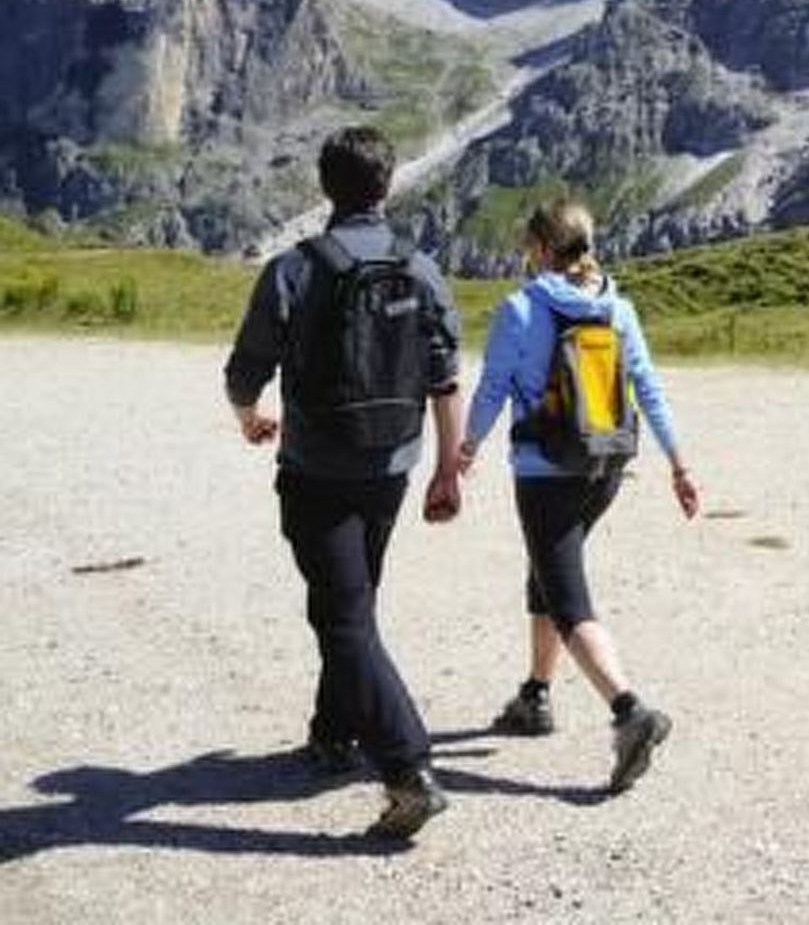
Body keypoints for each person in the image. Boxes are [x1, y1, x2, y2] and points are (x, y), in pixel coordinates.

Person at [225, 126, 464, 840]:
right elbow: (445, 378)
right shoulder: (421, 269)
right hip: (393, 464)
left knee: (343, 615)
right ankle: (333, 735)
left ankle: (408, 768)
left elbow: (246, 369)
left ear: (325, 188)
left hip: (317, 468)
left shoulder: (293, 269)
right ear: (387, 186)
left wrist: (249, 418)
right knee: (352, 603)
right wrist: (449, 469)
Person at [457, 198, 699, 795]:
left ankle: (629, 711)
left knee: (568, 598)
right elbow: (648, 388)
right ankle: (535, 696)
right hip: (605, 468)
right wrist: (679, 464)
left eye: (527, 245)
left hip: (545, 472)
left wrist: (464, 450)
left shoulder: (519, 309)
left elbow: (491, 390)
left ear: (541, 249)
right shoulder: (618, 308)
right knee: (547, 573)